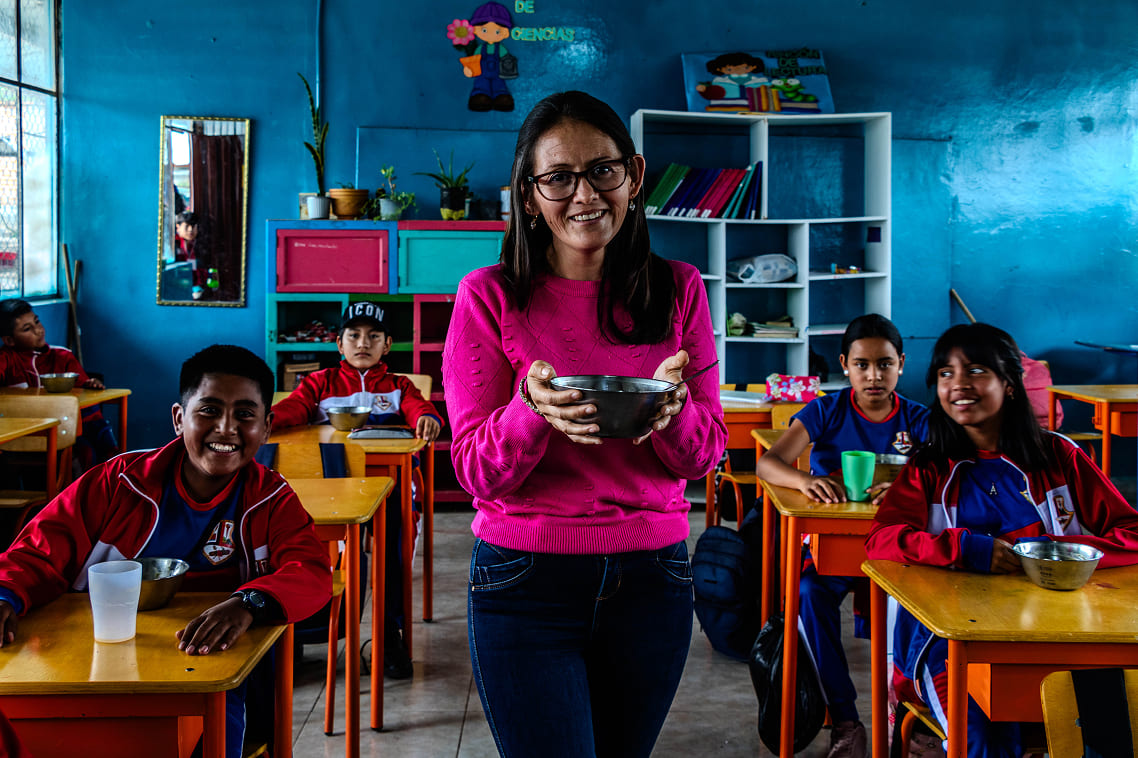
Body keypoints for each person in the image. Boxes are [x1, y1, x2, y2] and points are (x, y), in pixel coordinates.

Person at [441, 90, 727, 758]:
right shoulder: (489, 296)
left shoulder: (679, 288)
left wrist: (675, 412)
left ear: (634, 173)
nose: (584, 194)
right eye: (558, 177)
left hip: (652, 580)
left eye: (602, 169)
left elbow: (704, 457)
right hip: (523, 581)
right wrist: (531, 411)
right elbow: (475, 469)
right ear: (530, 191)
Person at [0, 344, 331, 758]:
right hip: (91, 665)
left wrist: (248, 602)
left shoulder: (271, 500)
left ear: (266, 428)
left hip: (207, 674)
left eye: (245, 415)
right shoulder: (118, 482)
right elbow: (37, 551)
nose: (226, 428)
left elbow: (311, 571)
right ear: (179, 419)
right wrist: (5, 594)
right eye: (208, 410)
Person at [865, 322, 1138, 758]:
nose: (958, 385)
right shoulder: (929, 467)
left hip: (1058, 634)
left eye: (976, 370)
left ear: (1009, 385)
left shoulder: (1059, 456)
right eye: (945, 374)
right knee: (983, 741)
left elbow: (1133, 532)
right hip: (950, 643)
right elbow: (881, 539)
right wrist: (964, 549)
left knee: (1111, 724)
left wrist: (1057, 554)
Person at [755, 313, 929, 758]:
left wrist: (909, 490)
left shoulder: (921, 421)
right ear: (844, 365)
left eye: (885, 364)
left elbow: (946, 482)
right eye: (862, 364)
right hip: (833, 548)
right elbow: (768, 463)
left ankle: (912, 720)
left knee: (921, 607)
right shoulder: (826, 410)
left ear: (902, 364)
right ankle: (846, 721)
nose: (874, 376)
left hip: (894, 554)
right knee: (808, 592)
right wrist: (802, 482)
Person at [272, 300, 442, 679]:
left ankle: (388, 635)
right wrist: (266, 421)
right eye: (353, 335)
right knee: (317, 554)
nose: (362, 343)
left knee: (393, 552)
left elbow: (419, 407)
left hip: (390, 488)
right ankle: (302, 635)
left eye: (373, 336)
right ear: (339, 343)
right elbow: (294, 409)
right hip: (335, 488)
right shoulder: (320, 383)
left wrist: (427, 417)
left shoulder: (399, 386)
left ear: (388, 344)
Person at [0, 298, 119, 473]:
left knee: (86, 450)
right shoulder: (6, 359)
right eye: (27, 329)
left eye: (37, 322)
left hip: (63, 433)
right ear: (9, 340)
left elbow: (83, 388)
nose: (38, 330)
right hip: (21, 436)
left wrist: (89, 385)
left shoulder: (62, 356)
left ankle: (112, 462)